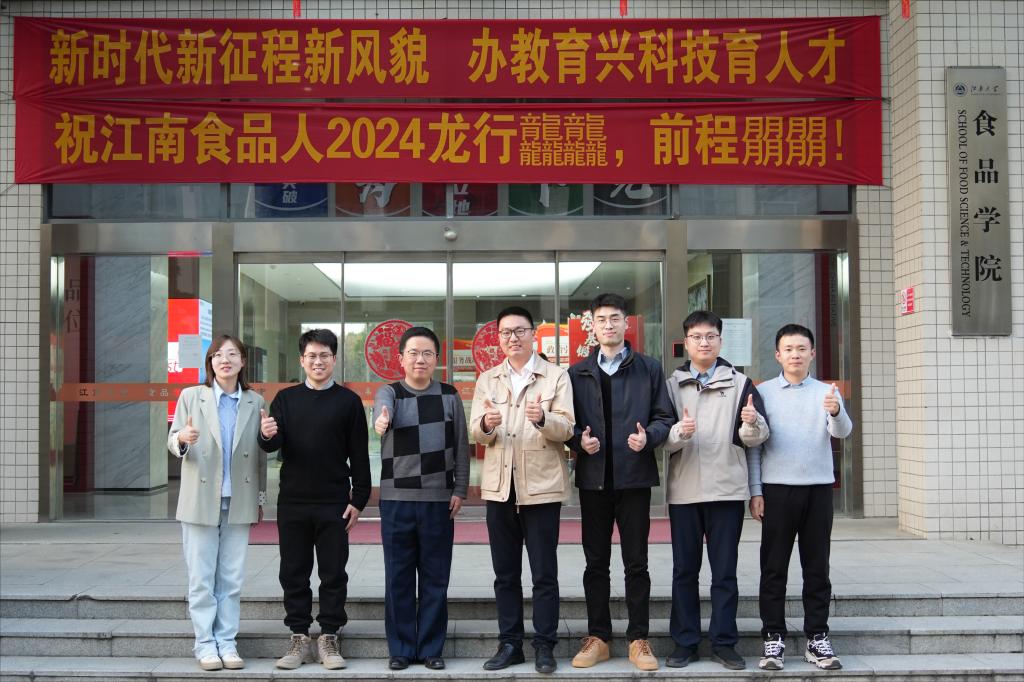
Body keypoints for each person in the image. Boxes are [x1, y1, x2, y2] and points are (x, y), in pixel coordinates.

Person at [565, 293, 675, 671]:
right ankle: (598, 638)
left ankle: (638, 638)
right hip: (593, 480)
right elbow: (565, 422)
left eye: (615, 318)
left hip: (634, 479)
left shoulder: (649, 368)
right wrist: (577, 440)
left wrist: (650, 438)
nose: (608, 325)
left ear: (626, 323)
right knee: (595, 563)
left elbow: (664, 417)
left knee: (636, 563)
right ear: (592, 326)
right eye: (601, 319)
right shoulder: (577, 373)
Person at [469, 306, 575, 674]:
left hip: (542, 487)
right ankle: (510, 643)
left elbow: (567, 429)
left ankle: (544, 645)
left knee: (544, 573)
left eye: (520, 331)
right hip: (500, 488)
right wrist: (486, 424)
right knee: (505, 573)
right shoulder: (488, 379)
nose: (512, 338)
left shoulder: (556, 376)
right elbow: (475, 432)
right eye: (505, 332)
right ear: (498, 338)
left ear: (533, 334)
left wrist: (544, 418)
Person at [258, 329, 371, 671]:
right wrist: (265, 436)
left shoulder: (348, 402)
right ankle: (298, 635)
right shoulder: (286, 399)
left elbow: (360, 454)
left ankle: (330, 635)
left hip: (334, 501)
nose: (318, 361)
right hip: (293, 500)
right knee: (293, 570)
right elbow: (272, 444)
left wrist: (359, 499)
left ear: (334, 359)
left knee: (333, 571)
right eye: (312, 356)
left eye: (324, 355)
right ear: (302, 360)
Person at [663, 310, 769, 671]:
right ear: (686, 342)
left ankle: (724, 643)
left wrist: (752, 424)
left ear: (721, 341)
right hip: (685, 491)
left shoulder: (741, 384)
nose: (704, 343)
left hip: (726, 490)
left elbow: (755, 438)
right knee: (684, 571)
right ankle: (685, 643)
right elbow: (661, 439)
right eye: (697, 337)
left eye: (710, 336)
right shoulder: (671, 385)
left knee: (724, 573)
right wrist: (680, 433)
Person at [748, 324, 853, 671]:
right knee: (773, 568)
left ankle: (817, 637)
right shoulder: (763, 392)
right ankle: (773, 638)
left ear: (812, 353)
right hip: (777, 490)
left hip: (818, 489)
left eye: (802, 348)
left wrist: (835, 411)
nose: (795, 354)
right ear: (778, 355)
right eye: (789, 349)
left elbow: (843, 432)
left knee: (817, 567)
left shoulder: (826, 391)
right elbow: (754, 447)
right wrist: (756, 491)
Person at [372, 326, 470, 671]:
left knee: (435, 577)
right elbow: (381, 413)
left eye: (427, 353)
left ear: (436, 360)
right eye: (413, 353)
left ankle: (430, 648)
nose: (420, 359)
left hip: (438, 501)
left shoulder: (450, 395)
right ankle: (400, 649)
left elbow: (461, 446)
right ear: (400, 358)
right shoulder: (390, 393)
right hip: (396, 500)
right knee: (398, 577)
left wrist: (460, 489)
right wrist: (382, 421)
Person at [167, 334, 267, 671]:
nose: (225, 360)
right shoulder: (191, 396)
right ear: (210, 362)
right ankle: (205, 644)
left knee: (232, 579)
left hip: (239, 499)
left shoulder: (255, 401)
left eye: (233, 354)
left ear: (242, 362)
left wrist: (260, 499)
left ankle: (227, 642)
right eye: (218, 355)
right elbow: (173, 440)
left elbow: (260, 457)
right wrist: (182, 438)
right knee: (201, 577)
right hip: (199, 499)